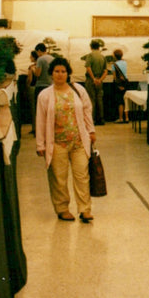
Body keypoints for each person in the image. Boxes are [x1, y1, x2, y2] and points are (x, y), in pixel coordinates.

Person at [35, 57, 96, 223]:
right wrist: (40, 144)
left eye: (63, 71)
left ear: (68, 73)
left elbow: (86, 110)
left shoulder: (78, 90)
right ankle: (62, 209)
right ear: (51, 73)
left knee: (82, 175)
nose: (60, 74)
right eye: (57, 71)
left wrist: (91, 131)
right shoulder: (45, 95)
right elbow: (40, 120)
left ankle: (85, 209)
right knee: (59, 178)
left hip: (78, 141)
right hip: (56, 144)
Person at [32, 42, 54, 134]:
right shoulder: (52, 58)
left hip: (41, 86)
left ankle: (41, 131)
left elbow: (38, 74)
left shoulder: (40, 59)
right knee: (50, 109)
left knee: (40, 110)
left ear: (39, 51)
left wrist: (33, 69)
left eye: (37, 52)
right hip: (51, 85)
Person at [84, 39, 107, 125]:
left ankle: (92, 120)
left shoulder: (90, 55)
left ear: (91, 47)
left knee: (91, 99)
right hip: (100, 80)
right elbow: (105, 71)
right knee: (99, 99)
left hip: (91, 80)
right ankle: (101, 119)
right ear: (99, 47)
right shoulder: (102, 56)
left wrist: (93, 78)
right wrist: (100, 80)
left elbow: (88, 67)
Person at [110, 48, 128, 123]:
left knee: (120, 101)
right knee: (126, 100)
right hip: (125, 82)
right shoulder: (125, 63)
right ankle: (127, 118)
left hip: (118, 84)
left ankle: (120, 118)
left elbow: (114, 76)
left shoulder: (114, 65)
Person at [26, 50, 38, 133]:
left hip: (33, 88)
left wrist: (27, 86)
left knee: (33, 109)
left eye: (31, 56)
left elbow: (30, 79)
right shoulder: (41, 66)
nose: (30, 58)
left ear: (34, 57)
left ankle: (35, 128)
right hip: (40, 87)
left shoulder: (31, 67)